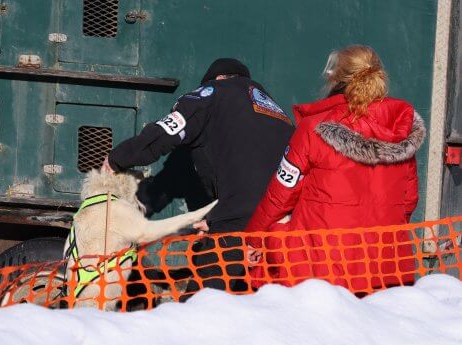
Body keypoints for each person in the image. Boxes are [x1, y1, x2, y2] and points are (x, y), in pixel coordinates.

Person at [103, 58, 294, 295]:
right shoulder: (278, 112)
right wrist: (216, 217)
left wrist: (117, 159)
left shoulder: (212, 93)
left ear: (217, 79)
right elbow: (246, 166)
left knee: (200, 308)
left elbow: (167, 131)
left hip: (237, 221)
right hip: (283, 223)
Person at [245, 45, 426, 294]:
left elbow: (281, 193)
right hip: (385, 267)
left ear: (334, 79)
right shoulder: (401, 129)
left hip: (321, 265)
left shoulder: (314, 127)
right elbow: (408, 201)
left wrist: (253, 238)